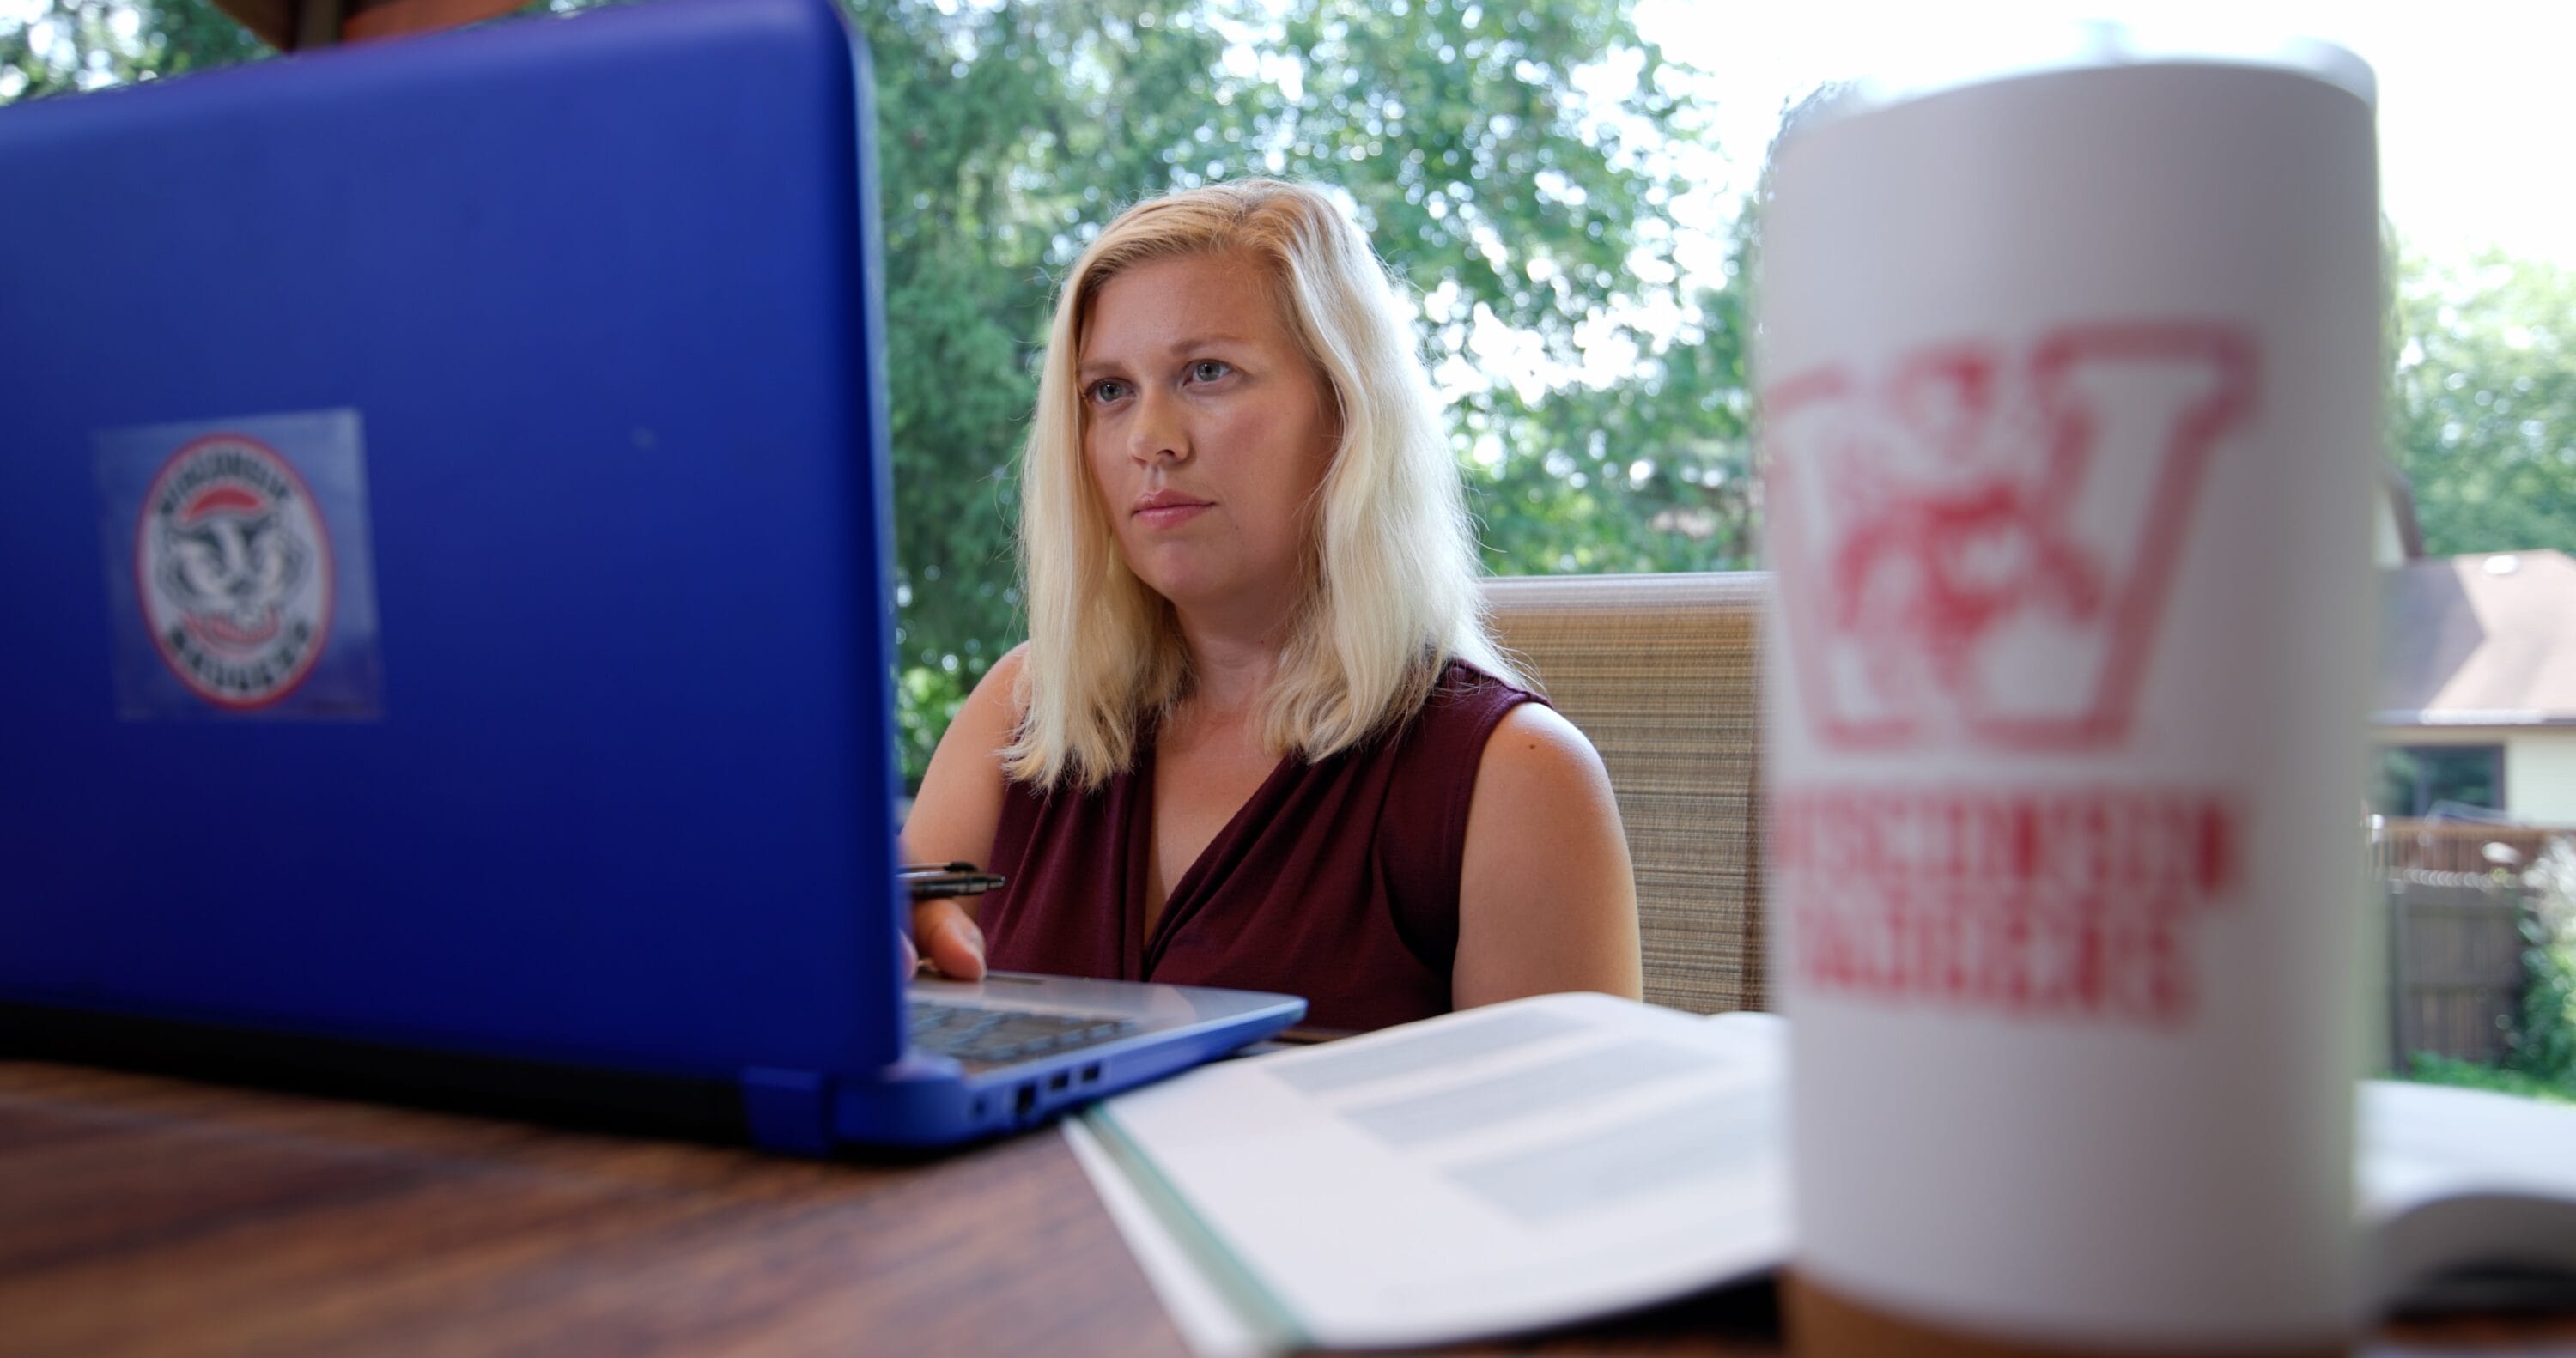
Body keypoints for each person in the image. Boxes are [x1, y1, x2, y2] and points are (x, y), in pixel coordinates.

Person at [900, 179, 1639, 1031]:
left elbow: (1561, 1159)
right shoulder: (1024, 712)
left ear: (1346, 409)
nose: (1151, 440)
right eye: (1109, 391)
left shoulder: (1517, 778)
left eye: (1206, 373)